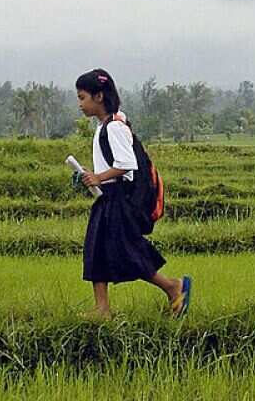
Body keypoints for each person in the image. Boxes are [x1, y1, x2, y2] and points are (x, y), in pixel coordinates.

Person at [75, 68, 189, 319]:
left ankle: (173, 286)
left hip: (118, 199)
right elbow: (112, 165)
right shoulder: (105, 126)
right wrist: (91, 175)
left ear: (99, 97)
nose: (80, 104)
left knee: (127, 251)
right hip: (108, 196)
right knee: (97, 249)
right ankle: (102, 308)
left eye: (82, 97)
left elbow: (126, 164)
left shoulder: (114, 127)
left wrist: (98, 177)